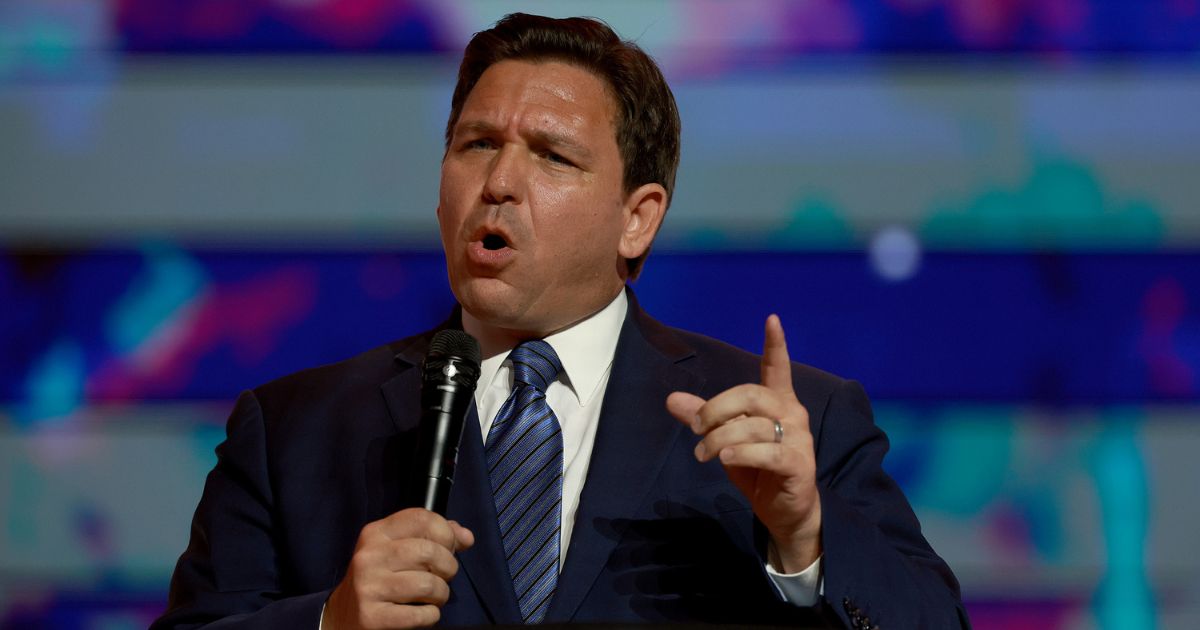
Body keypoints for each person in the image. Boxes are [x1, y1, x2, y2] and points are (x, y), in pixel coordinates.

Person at [153, 13, 969, 630]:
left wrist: (804, 538)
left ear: (637, 219)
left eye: (552, 156)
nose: (500, 182)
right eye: (476, 144)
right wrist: (330, 623)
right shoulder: (294, 429)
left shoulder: (791, 426)